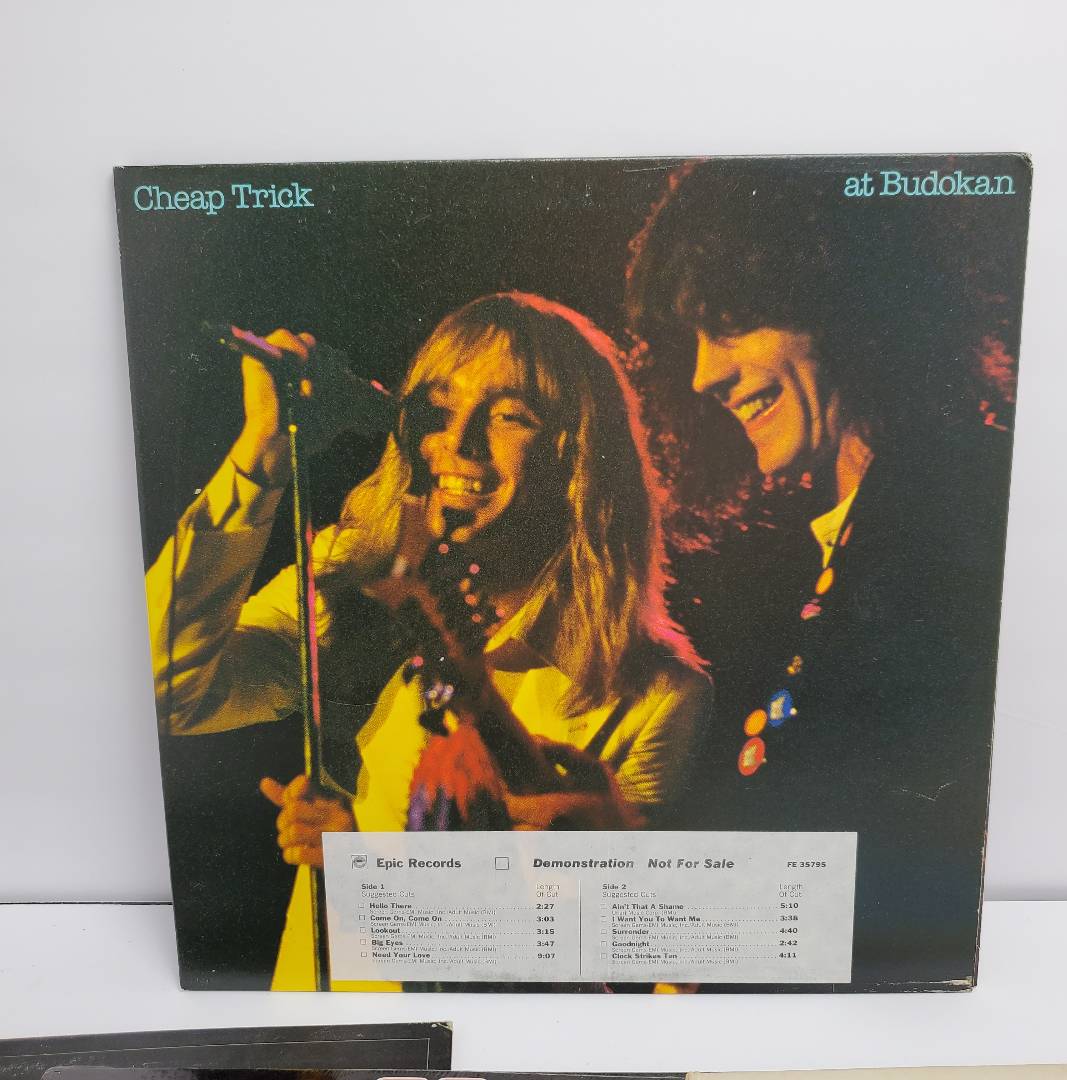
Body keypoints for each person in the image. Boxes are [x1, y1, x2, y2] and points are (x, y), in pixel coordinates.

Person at [146, 291, 711, 989]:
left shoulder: (653, 697)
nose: (459, 442)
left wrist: (365, 875)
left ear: (580, 459)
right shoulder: (347, 578)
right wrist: (259, 457)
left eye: (510, 416)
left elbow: (621, 961)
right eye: (439, 410)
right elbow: (165, 692)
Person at [625, 160, 1021, 988]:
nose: (702, 374)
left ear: (846, 305)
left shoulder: (961, 516)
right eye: (694, 338)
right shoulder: (841, 543)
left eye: (732, 324)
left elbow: (907, 871)